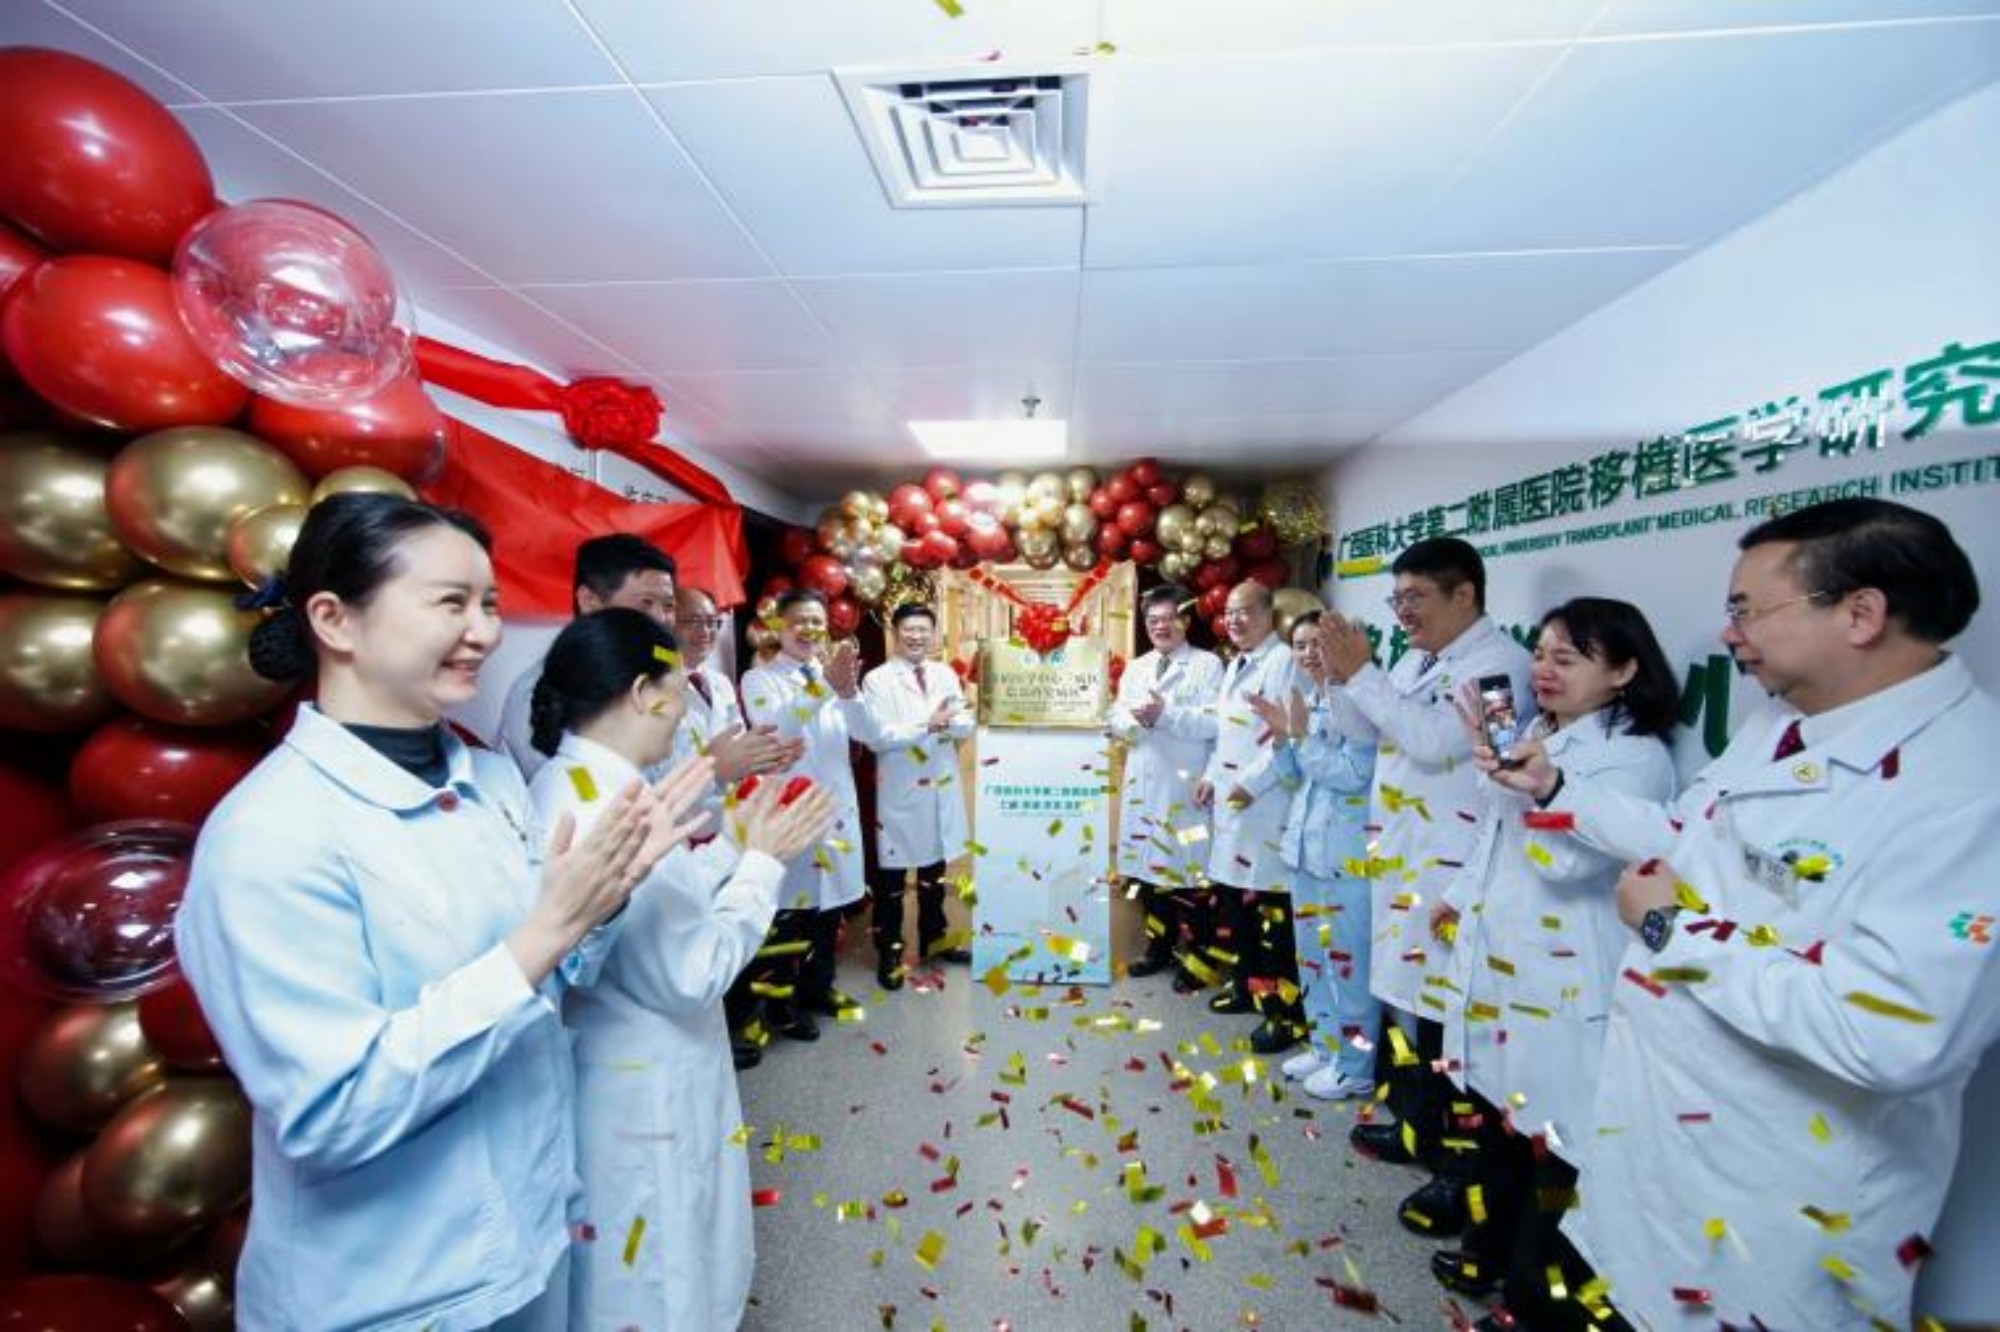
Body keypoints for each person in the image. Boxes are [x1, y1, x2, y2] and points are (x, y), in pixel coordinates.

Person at [175, 494, 697, 1331]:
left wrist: (600, 904)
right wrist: (543, 936)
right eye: (451, 603)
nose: (484, 631)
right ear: (334, 620)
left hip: (534, 1235)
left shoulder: (492, 782)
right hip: (394, 1293)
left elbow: (558, 979)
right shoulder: (269, 836)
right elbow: (335, 1111)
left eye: (489, 603)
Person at [1485, 499, 1999, 1329]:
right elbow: (1685, 839)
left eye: (1747, 610)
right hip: (1659, 1145)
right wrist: (1557, 787)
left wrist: (1670, 932)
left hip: (1775, 1200)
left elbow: (1890, 1031)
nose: (1729, 634)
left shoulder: (1966, 788)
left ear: (1861, 613)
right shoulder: (1783, 726)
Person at [526, 607, 834, 1331]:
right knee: (660, 1270)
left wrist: (732, 844)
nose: (686, 718)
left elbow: (669, 894)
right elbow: (692, 971)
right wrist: (762, 866)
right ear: (643, 694)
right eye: (674, 695)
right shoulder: (602, 807)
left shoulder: (580, 782)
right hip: (645, 1082)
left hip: (634, 1065)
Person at [1424, 598, 1679, 1328]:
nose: (1543, 670)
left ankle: (1532, 1297)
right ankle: (1486, 1250)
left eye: (1567, 658)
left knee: (1554, 1150)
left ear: (1624, 671)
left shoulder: (1635, 758)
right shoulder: (1538, 733)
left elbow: (1562, 863)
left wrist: (1535, 784)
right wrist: (1458, 896)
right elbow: (1494, 836)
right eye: (1540, 654)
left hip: (1566, 986)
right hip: (1503, 967)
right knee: (1497, 1124)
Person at [1319, 535, 1534, 1237]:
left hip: (1452, 873)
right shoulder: (1417, 659)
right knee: (1406, 1004)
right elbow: (1366, 730)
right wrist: (1340, 679)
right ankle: (1416, 1128)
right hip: (1403, 861)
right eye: (1397, 599)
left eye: (1416, 597)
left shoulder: (1504, 669)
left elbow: (1437, 742)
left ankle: (1456, 1174)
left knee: (1446, 1022)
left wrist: (1365, 674)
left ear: (1465, 593)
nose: (1403, 611)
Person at [1249, 611, 1380, 1101]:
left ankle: (1356, 1066)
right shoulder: (1309, 700)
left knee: (1349, 967)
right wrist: (1284, 739)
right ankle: (1326, 1048)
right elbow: (1292, 779)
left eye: (1318, 643)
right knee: (1312, 960)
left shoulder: (1362, 704)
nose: (1308, 654)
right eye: (1300, 645)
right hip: (1305, 851)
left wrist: (1301, 738)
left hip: (1348, 858)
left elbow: (1353, 775)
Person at [675, 583, 805, 1070]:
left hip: (727, 824)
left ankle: (742, 1022)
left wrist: (768, 757)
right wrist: (717, 769)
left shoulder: (720, 684)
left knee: (735, 926)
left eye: (712, 622)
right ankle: (716, 1032)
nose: (705, 632)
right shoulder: (657, 689)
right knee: (696, 941)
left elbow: (739, 748)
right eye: (693, 621)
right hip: (683, 831)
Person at [738, 589, 877, 1041]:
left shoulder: (831, 675)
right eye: (798, 620)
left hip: (836, 810)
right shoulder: (758, 679)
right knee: (789, 915)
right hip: (790, 813)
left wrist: (850, 693)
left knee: (828, 912)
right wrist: (825, 686)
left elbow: (868, 733)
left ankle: (819, 989)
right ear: (778, 626)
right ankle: (780, 1006)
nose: (809, 629)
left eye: (817, 621)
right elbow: (778, 728)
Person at [1194, 580, 1304, 1054]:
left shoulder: (1284, 662)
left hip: (1267, 807)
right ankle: (1245, 987)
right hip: (1231, 803)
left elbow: (1289, 737)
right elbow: (1227, 735)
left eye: (1245, 611)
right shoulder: (1236, 663)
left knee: (1271, 915)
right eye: (1229, 612)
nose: (1235, 620)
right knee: (1235, 904)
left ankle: (1284, 1014)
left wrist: (1249, 785)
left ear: (1267, 614)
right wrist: (1210, 776)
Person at [1108, 584, 1223, 989]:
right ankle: (1158, 948)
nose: (1160, 626)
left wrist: (1165, 714)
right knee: (1148, 876)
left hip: (1185, 788)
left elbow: (1216, 723)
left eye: (1169, 619)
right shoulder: (1137, 667)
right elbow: (1116, 715)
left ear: (1186, 621)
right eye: (1153, 620)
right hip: (1144, 782)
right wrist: (1133, 722)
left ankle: (1198, 959)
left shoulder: (1208, 665)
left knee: (1190, 877)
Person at [858, 602, 975, 989]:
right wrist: (928, 724)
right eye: (909, 629)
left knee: (934, 878)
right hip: (901, 791)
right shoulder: (877, 680)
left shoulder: (944, 673)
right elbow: (878, 736)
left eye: (924, 629)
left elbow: (963, 722)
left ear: (933, 634)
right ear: (895, 632)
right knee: (891, 883)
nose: (917, 636)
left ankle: (934, 942)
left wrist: (953, 724)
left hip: (939, 786)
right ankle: (889, 951)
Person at [498, 533, 676, 781]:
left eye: (668, 606)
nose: (662, 619)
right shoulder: (539, 694)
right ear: (589, 600)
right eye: (646, 602)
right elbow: (575, 787)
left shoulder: (653, 680)